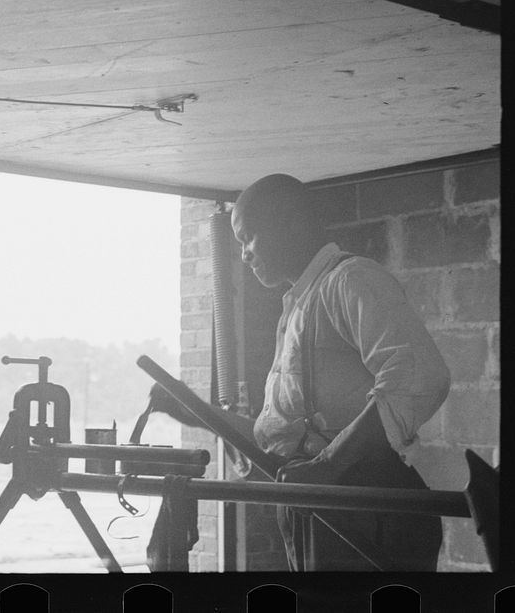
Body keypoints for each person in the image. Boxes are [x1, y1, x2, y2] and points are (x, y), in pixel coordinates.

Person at [151, 174, 450, 571]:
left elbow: (419, 376)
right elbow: (279, 441)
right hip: (324, 506)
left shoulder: (351, 279)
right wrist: (193, 411)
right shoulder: (297, 307)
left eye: (249, 238)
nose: (244, 255)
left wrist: (329, 465)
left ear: (291, 224)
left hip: (365, 506)